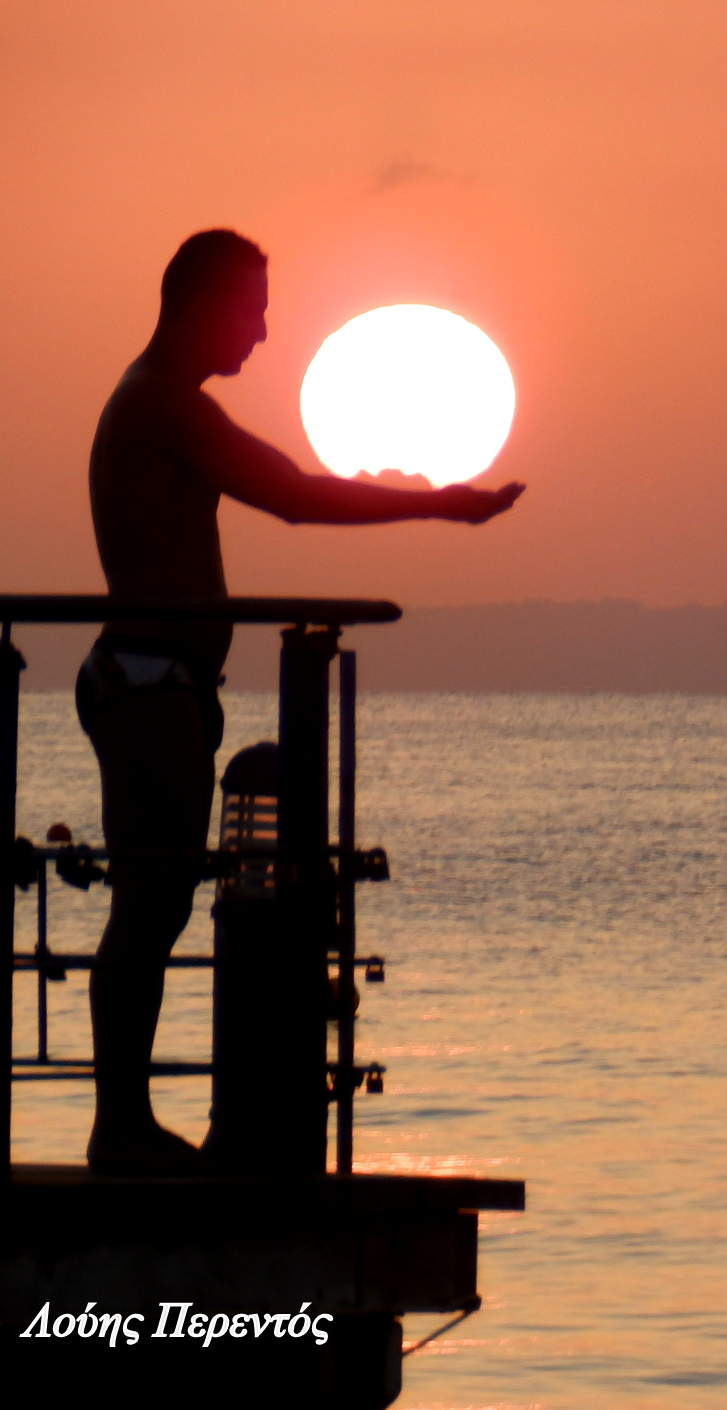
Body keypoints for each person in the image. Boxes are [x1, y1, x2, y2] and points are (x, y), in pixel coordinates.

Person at [81, 229, 522, 1174]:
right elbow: (291, 496)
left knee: (152, 908)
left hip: (163, 684)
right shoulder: (163, 405)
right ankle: (118, 1125)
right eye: (253, 309)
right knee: (147, 907)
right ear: (200, 304)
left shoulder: (156, 401)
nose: (264, 333)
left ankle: (123, 1121)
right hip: (149, 683)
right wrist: (442, 505)